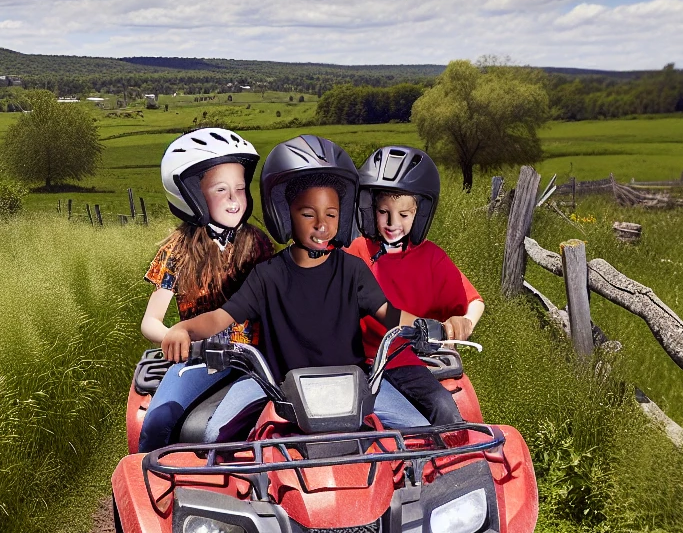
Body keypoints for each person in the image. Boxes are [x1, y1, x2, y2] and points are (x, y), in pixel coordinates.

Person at [159, 135, 430, 439]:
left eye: (331, 214)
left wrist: (429, 326)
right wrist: (185, 329)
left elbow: (389, 315)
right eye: (307, 213)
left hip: (353, 385)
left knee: (421, 431)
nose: (322, 225)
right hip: (275, 386)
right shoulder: (268, 275)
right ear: (285, 214)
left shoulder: (353, 270)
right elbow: (220, 317)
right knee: (214, 437)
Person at [136, 128, 274, 452]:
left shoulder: (258, 244)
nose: (234, 199)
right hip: (201, 359)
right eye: (221, 189)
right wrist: (174, 336)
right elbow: (150, 321)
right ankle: (151, 490)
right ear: (192, 197)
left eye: (240, 188)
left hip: (255, 359)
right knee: (157, 421)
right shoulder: (178, 250)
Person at [347, 145, 484, 426]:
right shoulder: (356, 250)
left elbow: (474, 301)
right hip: (354, 361)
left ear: (419, 214)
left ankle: (451, 467)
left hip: (400, 357)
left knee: (443, 408)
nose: (392, 223)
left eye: (404, 214)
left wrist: (464, 322)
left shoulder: (432, 258)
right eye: (383, 212)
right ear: (369, 209)